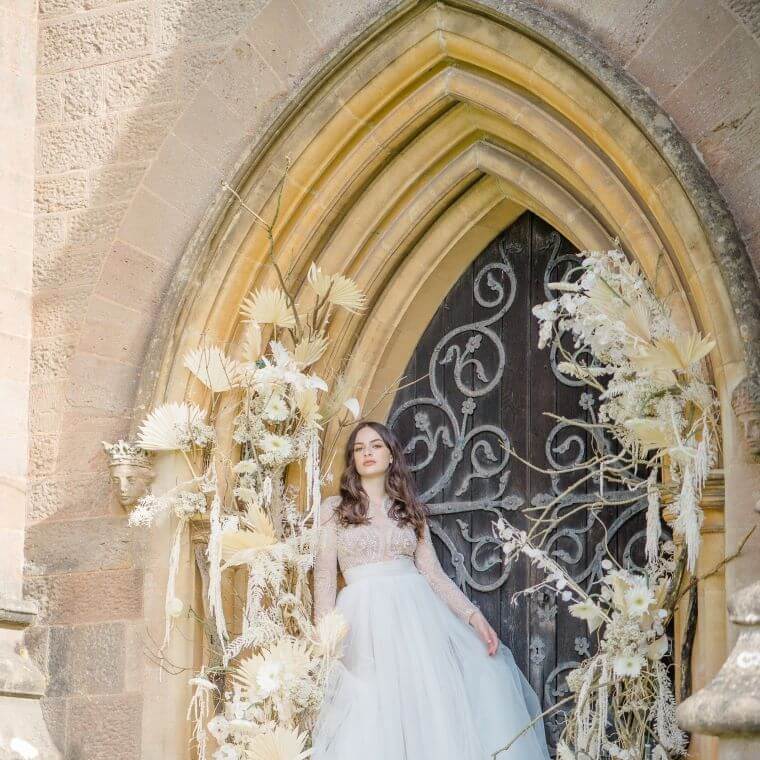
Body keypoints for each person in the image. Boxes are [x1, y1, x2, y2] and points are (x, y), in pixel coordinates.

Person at [310, 420, 551, 760]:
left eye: (376, 445)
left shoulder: (409, 510)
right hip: (361, 622)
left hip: (415, 620)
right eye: (359, 447)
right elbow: (323, 578)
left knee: (425, 706)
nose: (367, 452)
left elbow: (434, 575)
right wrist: (325, 642)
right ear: (352, 459)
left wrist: (474, 617)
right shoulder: (334, 511)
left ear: (391, 455)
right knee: (371, 710)